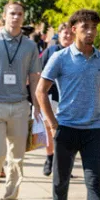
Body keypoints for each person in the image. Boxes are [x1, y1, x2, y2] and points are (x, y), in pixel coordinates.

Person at [36, 9, 100, 200]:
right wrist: (52, 124)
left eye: (94, 27)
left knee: (94, 182)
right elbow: (41, 91)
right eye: (85, 27)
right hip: (66, 128)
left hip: (93, 130)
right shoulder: (60, 58)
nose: (90, 31)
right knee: (61, 179)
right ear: (73, 29)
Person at [0, 1, 41, 200]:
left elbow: (34, 77)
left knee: (17, 158)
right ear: (4, 16)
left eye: (20, 14)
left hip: (20, 105)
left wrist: (37, 105)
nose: (16, 17)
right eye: (12, 13)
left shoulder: (30, 46)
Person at [40, 22, 75, 176]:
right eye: (64, 33)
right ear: (59, 34)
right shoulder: (52, 51)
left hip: (69, 98)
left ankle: (65, 163)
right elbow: (41, 73)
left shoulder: (76, 52)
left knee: (67, 131)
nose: (67, 36)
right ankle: (50, 157)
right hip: (51, 95)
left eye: (70, 33)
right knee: (50, 128)